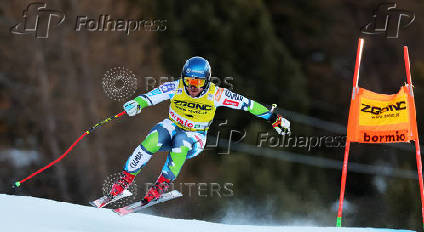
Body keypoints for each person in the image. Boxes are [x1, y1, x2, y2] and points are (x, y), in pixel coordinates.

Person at [110, 56, 291, 204]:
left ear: (207, 80)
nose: (193, 87)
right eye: (189, 81)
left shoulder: (217, 94)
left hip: (195, 136)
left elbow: (248, 105)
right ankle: (124, 180)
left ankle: (160, 186)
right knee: (152, 140)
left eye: (198, 81)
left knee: (181, 144)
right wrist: (137, 104)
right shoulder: (176, 87)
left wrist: (274, 119)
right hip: (172, 125)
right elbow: (151, 97)